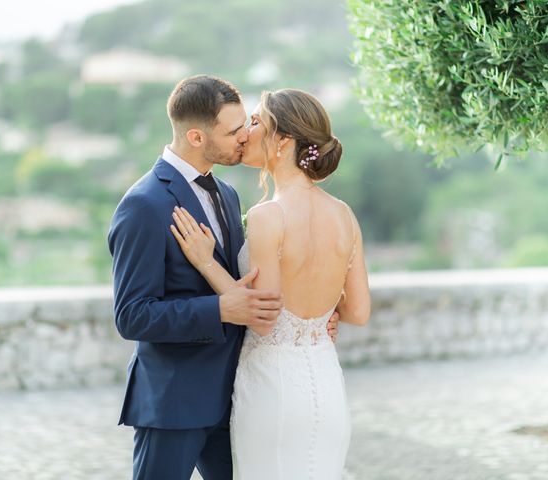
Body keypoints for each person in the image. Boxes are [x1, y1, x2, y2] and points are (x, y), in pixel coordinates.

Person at [107, 76, 339, 480]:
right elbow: (132, 316)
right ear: (196, 136)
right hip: (174, 403)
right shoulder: (144, 205)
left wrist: (310, 315)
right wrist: (218, 309)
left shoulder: (229, 194)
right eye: (233, 131)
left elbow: (255, 283)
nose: (244, 137)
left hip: (239, 399)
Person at [170, 88, 371, 479]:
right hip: (326, 386)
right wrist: (320, 317)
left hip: (272, 388)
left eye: (257, 121)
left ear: (282, 140)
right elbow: (359, 312)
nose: (247, 130)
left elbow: (263, 317)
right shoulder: (344, 215)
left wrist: (205, 262)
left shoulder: (268, 216)